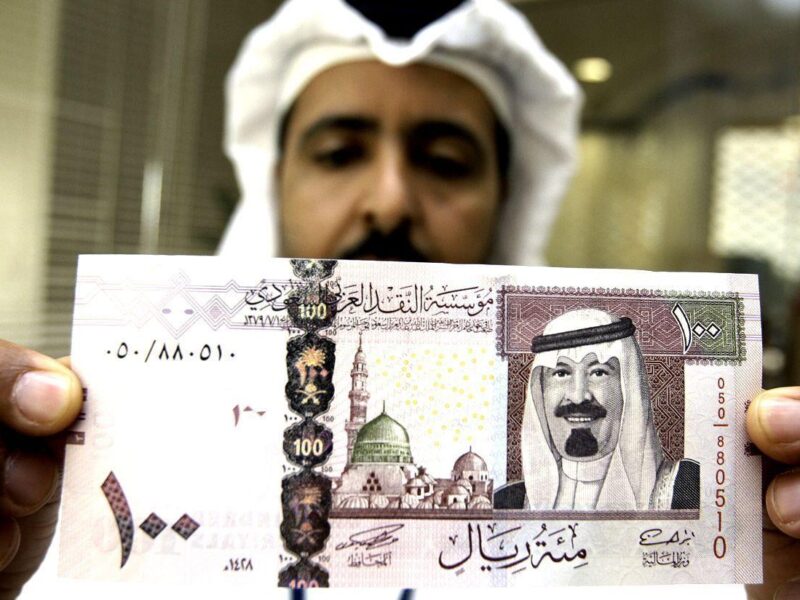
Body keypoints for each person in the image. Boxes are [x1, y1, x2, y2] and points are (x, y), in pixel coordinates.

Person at [0, 0, 797, 598]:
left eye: (444, 161)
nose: (389, 200)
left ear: (506, 200)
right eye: (340, 153)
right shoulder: (97, 507)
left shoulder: (653, 557)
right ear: (275, 185)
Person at [493, 309, 699, 511]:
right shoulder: (507, 503)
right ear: (540, 392)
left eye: (598, 372)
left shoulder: (686, 491)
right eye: (562, 373)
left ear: (628, 387)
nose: (578, 396)